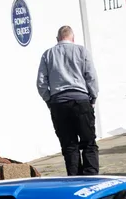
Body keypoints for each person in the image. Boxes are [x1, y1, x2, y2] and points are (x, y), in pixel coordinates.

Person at [37, 25, 100, 176]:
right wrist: (92, 97)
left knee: (69, 145)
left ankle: (74, 179)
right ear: (73, 38)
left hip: (59, 104)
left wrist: (49, 100)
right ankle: (91, 177)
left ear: (57, 39)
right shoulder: (82, 51)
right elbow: (91, 76)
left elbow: (41, 82)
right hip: (81, 101)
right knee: (89, 142)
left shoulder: (48, 54)